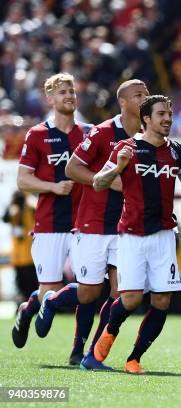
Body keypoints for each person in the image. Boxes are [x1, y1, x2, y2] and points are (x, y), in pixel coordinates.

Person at [34, 79, 149, 370]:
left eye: (147, 94)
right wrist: (108, 181)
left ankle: (92, 356)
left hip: (127, 228)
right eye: (138, 95)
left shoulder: (150, 137)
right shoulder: (103, 132)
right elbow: (73, 168)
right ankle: (50, 301)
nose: (144, 98)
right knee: (88, 293)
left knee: (122, 292)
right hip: (94, 223)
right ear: (123, 102)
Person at [90, 95, 181, 374]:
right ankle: (102, 343)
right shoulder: (126, 148)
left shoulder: (178, 151)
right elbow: (97, 183)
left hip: (164, 235)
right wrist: (118, 167)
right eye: (161, 114)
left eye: (169, 114)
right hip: (132, 235)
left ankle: (134, 359)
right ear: (146, 119)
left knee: (162, 300)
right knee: (130, 299)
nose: (167, 119)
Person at [11, 73, 89, 360]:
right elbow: (22, 180)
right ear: (50, 99)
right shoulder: (37, 135)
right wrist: (53, 187)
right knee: (48, 291)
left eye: (71, 90)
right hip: (49, 225)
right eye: (62, 92)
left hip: (84, 225)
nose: (69, 95)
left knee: (89, 289)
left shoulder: (89, 133)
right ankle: (29, 308)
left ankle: (78, 350)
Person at [2, 191, 37, 304]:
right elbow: (5, 217)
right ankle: (21, 306)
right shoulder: (14, 208)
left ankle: (33, 305)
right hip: (18, 257)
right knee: (20, 285)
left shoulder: (31, 205)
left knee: (32, 285)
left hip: (30, 255)